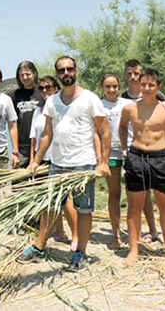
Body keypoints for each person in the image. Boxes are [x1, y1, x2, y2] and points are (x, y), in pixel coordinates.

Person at [18, 56, 110, 272]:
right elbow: (47, 134)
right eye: (62, 70)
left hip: (84, 164)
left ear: (76, 71)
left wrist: (103, 162)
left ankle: (80, 253)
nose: (66, 73)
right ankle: (39, 247)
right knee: (50, 207)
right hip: (58, 164)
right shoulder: (52, 101)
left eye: (70, 69)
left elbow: (105, 131)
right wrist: (36, 161)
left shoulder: (90, 99)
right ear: (58, 74)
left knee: (84, 210)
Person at [119, 69, 165, 265]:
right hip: (136, 157)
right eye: (143, 84)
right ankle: (133, 250)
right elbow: (122, 127)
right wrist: (124, 149)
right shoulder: (130, 109)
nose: (146, 88)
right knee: (134, 207)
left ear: (158, 87)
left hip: (160, 158)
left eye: (151, 85)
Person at [30, 76, 78, 247]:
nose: (44, 91)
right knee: (51, 201)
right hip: (42, 159)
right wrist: (33, 161)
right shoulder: (38, 111)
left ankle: (76, 236)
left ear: (56, 88)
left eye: (48, 87)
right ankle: (59, 231)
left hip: (59, 159)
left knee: (66, 201)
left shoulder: (62, 108)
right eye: (41, 88)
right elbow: (35, 139)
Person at [121, 59, 162, 243]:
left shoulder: (156, 94)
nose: (133, 77)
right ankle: (148, 232)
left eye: (136, 73)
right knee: (140, 197)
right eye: (129, 73)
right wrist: (123, 148)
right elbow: (120, 125)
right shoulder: (123, 98)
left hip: (157, 153)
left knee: (164, 198)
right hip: (133, 153)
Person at [99, 73, 133, 249]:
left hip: (130, 152)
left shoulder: (127, 104)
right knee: (114, 193)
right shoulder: (99, 105)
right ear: (102, 88)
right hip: (110, 155)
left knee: (134, 195)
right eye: (108, 86)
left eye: (114, 86)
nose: (112, 90)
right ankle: (115, 234)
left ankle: (134, 234)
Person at [10, 61, 44, 168]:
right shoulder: (15, 95)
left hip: (41, 145)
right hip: (22, 148)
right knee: (19, 181)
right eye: (22, 75)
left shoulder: (43, 92)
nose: (25, 77)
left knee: (41, 181)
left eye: (28, 74)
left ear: (34, 74)